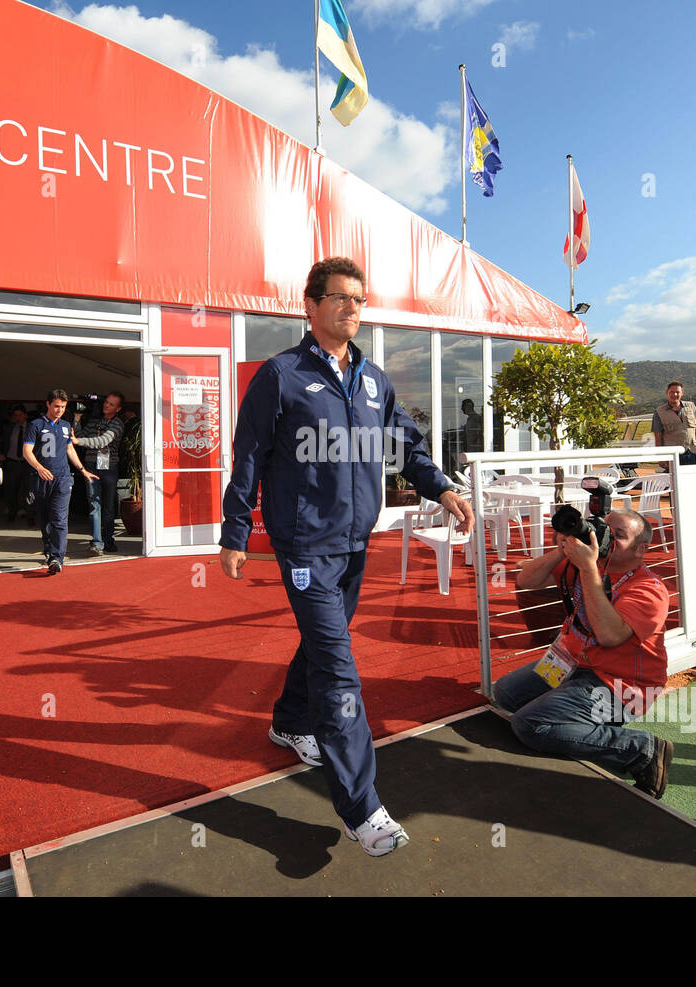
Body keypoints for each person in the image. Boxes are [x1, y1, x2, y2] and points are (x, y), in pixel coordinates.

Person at [219, 257, 475, 857]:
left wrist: (442, 486)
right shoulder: (280, 375)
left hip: (357, 542)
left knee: (320, 643)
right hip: (306, 545)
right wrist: (235, 533)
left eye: (359, 300)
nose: (351, 308)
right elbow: (249, 456)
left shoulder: (373, 380)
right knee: (338, 669)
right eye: (339, 298)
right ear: (310, 305)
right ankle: (363, 808)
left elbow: (405, 443)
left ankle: (288, 721)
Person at [494, 508, 674, 798]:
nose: (606, 538)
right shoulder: (586, 563)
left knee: (529, 725)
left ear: (641, 549)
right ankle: (576, 712)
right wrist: (563, 548)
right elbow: (526, 581)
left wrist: (588, 568)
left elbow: (610, 636)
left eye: (619, 536)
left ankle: (642, 751)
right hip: (574, 664)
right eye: (605, 529)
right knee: (505, 694)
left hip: (622, 685)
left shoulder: (649, 590)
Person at [22, 389, 98, 575]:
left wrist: (82, 470)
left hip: (63, 478)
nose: (59, 410)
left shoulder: (65, 425)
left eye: (63, 407)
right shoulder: (36, 425)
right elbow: (27, 451)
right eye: (56, 406)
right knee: (46, 520)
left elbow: (70, 450)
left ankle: (57, 557)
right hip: (41, 479)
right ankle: (50, 551)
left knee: (59, 519)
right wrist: (39, 468)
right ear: (48, 404)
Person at [72, 391, 125, 555]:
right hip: (91, 466)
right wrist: (77, 419)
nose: (106, 405)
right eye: (106, 402)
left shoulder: (118, 424)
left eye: (111, 404)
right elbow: (79, 436)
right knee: (94, 505)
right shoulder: (94, 421)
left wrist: (78, 441)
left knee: (108, 508)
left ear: (118, 409)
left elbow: (101, 441)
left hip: (109, 468)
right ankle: (97, 542)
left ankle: (108, 540)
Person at [651, 381, 696, 467]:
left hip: (692, 453)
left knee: (694, 478)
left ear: (682, 393)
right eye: (672, 392)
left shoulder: (691, 407)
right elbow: (658, 438)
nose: (675, 394)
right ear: (667, 392)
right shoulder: (659, 412)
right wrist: (660, 457)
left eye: (677, 392)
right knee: (674, 479)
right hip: (672, 455)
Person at [0, 404, 29, 523]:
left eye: (20, 415)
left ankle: (28, 513)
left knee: (27, 489)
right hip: (12, 462)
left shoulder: (31, 428)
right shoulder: (9, 428)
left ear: (25, 415)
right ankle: (12, 512)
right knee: (11, 489)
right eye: (15, 415)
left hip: (27, 463)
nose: (18, 418)